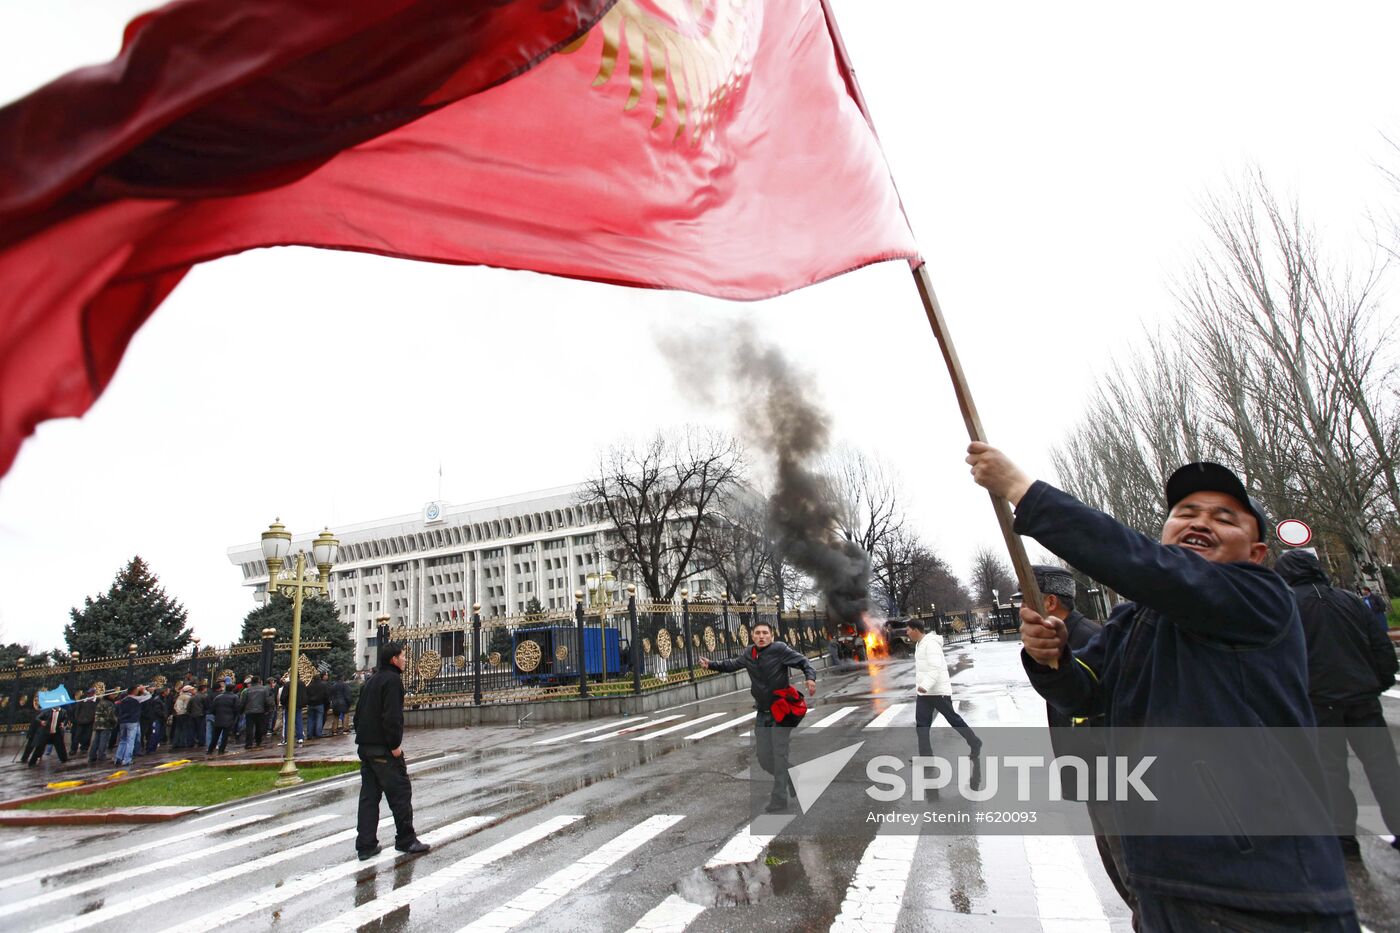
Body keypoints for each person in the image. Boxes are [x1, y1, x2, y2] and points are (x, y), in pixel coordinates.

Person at [967, 444, 1357, 930]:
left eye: (1225, 518)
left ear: (1257, 553)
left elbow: (1151, 568)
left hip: (1262, 894)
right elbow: (1084, 694)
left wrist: (1022, 492)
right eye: (1186, 513)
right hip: (1163, 885)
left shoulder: (1260, 598)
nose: (1200, 522)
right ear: (1167, 531)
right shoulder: (1136, 618)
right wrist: (1053, 659)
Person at [1024, 564, 1135, 922]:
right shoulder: (1059, 639)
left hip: (1110, 777)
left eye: (1026, 599)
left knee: (1131, 875)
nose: (1020, 609)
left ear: (1050, 601)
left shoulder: (1088, 638)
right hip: (1093, 776)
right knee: (1117, 870)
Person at [1277, 548, 1400, 860]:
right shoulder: (1351, 601)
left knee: (1330, 772)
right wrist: (1378, 682)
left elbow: (1279, 660)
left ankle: (1344, 840)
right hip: (1363, 700)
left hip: (1317, 703)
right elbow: (1381, 646)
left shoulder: (1286, 607)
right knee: (1385, 769)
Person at [699, 621, 817, 814]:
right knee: (764, 758)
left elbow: (803, 661)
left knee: (779, 756)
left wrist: (810, 677)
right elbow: (731, 665)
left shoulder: (779, 649)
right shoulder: (748, 654)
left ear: (771, 636)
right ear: (752, 636)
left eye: (765, 633)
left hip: (780, 712)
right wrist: (711, 664)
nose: (761, 636)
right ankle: (792, 776)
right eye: (757, 633)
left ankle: (779, 799)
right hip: (762, 713)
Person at [353, 642, 429, 860]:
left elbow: (358, 717)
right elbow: (392, 717)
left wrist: (365, 741)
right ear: (394, 659)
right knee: (400, 793)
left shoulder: (371, 681)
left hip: (366, 748)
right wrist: (394, 745)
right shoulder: (393, 681)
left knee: (369, 797)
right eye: (403, 656)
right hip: (384, 750)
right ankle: (406, 839)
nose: (405, 660)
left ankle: (366, 845)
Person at [907, 617, 982, 783]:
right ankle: (926, 757)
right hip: (925, 694)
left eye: (908, 630)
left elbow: (935, 668)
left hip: (938, 691)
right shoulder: (920, 644)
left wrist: (925, 685)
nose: (906, 633)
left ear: (916, 629)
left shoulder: (931, 643)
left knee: (954, 720)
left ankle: (975, 742)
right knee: (921, 724)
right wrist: (923, 688)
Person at [113, 685, 145, 767]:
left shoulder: (122, 700)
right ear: (134, 691)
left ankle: (118, 758)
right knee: (130, 741)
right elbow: (148, 696)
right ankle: (127, 760)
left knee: (123, 741)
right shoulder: (136, 699)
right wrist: (143, 690)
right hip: (132, 721)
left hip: (123, 722)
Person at [207, 683, 239, 755]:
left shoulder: (218, 697)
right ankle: (221, 750)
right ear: (233, 689)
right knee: (225, 736)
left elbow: (212, 709)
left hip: (218, 719)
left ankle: (210, 750)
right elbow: (236, 709)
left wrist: (217, 715)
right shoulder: (235, 697)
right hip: (229, 719)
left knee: (215, 735)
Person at [240, 676, 272, 748]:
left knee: (249, 727)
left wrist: (241, 710)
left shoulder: (247, 690)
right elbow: (267, 700)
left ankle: (249, 743)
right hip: (260, 711)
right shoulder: (264, 689)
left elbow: (243, 701)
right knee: (259, 727)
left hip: (249, 711)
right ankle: (258, 741)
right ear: (259, 681)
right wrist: (267, 709)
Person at [89, 689, 118, 763]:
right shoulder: (109, 704)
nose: (115, 696)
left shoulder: (100, 702)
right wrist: (115, 722)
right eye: (113, 694)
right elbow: (110, 715)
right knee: (103, 741)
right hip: (106, 725)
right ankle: (102, 755)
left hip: (97, 724)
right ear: (109, 695)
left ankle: (92, 756)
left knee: (96, 741)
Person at [70, 687, 97, 754]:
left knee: (87, 736)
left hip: (90, 721)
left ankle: (84, 748)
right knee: (77, 736)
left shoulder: (96, 701)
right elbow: (76, 710)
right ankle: (73, 749)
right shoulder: (82, 701)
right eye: (88, 693)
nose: (89, 694)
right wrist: (77, 719)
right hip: (80, 721)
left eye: (91, 693)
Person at [305, 672, 330, 739]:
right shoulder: (323, 686)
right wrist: (327, 704)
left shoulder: (309, 686)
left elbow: (306, 695)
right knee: (319, 719)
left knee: (310, 719)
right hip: (320, 704)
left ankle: (310, 734)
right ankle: (318, 733)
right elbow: (326, 695)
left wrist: (308, 702)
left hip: (310, 704)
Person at [187, 683, 208, 749]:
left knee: (192, 730)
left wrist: (190, 713)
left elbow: (188, 707)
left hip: (192, 715)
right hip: (201, 715)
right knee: (201, 729)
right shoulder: (204, 697)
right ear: (203, 689)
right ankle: (201, 742)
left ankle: (190, 742)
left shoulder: (192, 697)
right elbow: (206, 706)